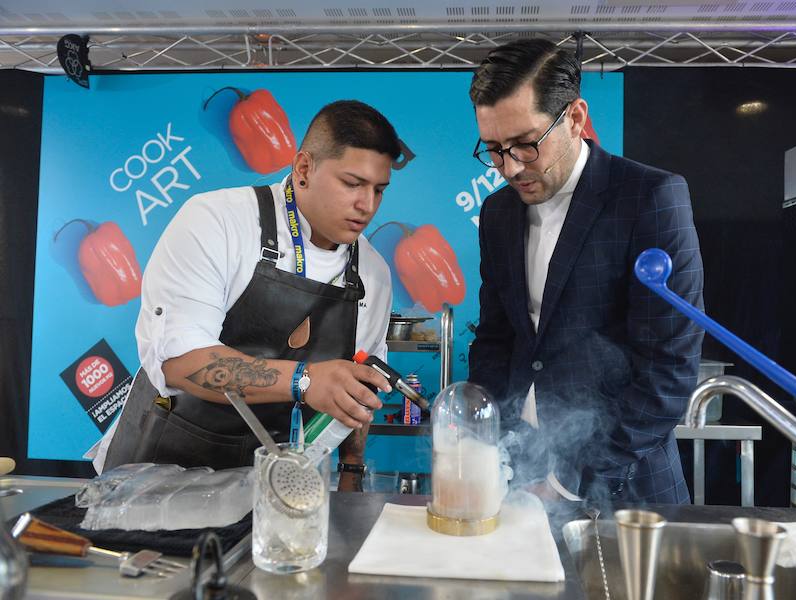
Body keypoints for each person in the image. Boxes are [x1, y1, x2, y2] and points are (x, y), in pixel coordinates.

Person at [96, 100, 400, 492]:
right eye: (352, 183)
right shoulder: (217, 221)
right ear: (304, 168)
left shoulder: (373, 275)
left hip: (270, 488)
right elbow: (181, 363)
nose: (367, 205)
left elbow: (358, 390)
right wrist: (305, 380)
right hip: (156, 476)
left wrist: (352, 471)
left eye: (379, 190)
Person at [467, 40, 704, 505]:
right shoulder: (498, 213)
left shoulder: (648, 198)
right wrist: (487, 440)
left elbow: (669, 369)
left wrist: (569, 481)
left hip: (625, 485)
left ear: (574, 118)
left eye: (526, 144)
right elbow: (497, 339)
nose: (510, 168)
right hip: (521, 475)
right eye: (494, 150)